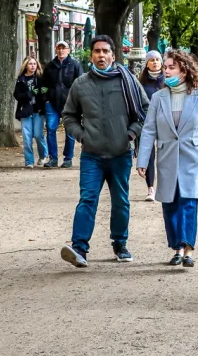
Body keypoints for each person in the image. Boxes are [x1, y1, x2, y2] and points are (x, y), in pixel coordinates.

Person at [59, 35, 150, 268]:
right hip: (92, 155)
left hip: (121, 153)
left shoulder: (127, 80)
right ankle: (79, 248)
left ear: (113, 55)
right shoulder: (81, 84)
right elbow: (69, 115)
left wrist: (130, 133)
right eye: (97, 51)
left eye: (105, 51)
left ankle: (120, 244)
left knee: (120, 201)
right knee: (88, 198)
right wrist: (82, 136)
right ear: (91, 55)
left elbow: (144, 111)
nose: (101, 55)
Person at [137, 50, 198, 267]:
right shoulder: (158, 98)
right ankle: (176, 248)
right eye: (165, 67)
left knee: (188, 202)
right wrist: (142, 159)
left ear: (184, 70)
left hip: (192, 156)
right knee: (170, 202)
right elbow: (149, 130)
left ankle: (187, 250)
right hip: (167, 156)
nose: (166, 71)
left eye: (171, 67)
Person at [43, 40, 84, 168]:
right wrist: (46, 99)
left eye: (63, 48)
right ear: (56, 50)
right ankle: (53, 158)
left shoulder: (75, 65)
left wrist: (78, 101)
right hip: (52, 103)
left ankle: (68, 158)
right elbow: (43, 85)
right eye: (59, 48)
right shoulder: (50, 66)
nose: (61, 51)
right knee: (50, 129)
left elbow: (81, 84)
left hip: (69, 104)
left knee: (70, 131)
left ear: (68, 50)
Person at [138, 50, 166, 201]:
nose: (155, 62)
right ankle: (150, 188)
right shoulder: (140, 83)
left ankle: (165, 186)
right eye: (152, 60)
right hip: (147, 122)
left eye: (157, 59)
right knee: (148, 155)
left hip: (165, 122)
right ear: (147, 63)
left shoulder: (168, 80)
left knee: (165, 153)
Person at [14, 55, 48, 168]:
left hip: (38, 110)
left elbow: (46, 90)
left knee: (38, 135)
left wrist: (43, 93)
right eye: (30, 64)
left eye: (34, 64)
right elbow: (17, 95)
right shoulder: (21, 79)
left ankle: (43, 156)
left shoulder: (40, 78)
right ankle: (29, 161)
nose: (33, 66)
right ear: (26, 65)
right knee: (26, 137)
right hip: (25, 111)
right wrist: (30, 93)